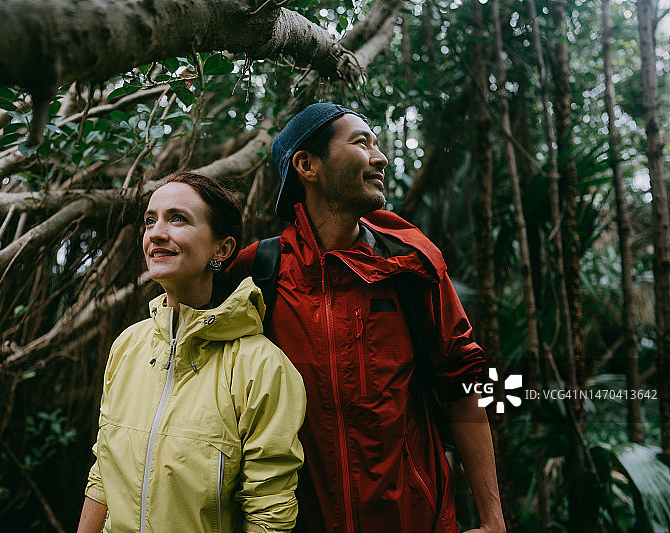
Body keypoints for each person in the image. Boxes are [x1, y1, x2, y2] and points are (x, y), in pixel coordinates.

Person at [231, 104, 506, 533]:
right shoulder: (258, 271)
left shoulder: (412, 265)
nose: (381, 158)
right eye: (362, 142)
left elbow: (464, 383)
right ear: (307, 165)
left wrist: (493, 519)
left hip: (416, 519)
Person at [77, 172, 306, 533]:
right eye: (150, 221)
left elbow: (269, 510)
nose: (156, 232)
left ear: (222, 249)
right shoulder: (128, 346)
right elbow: (103, 473)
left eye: (178, 218)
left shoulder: (261, 365)